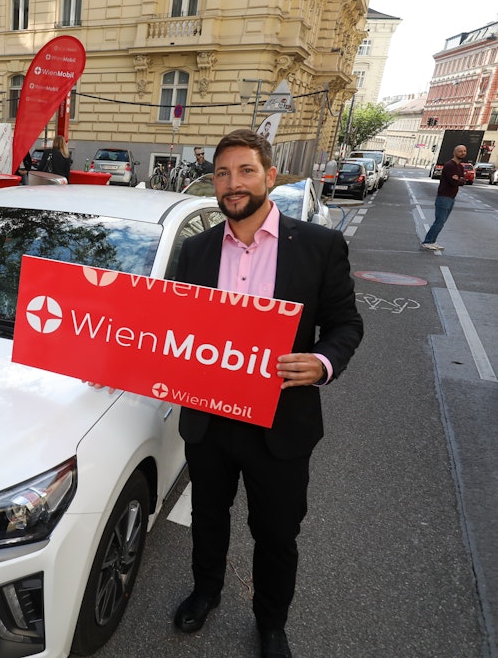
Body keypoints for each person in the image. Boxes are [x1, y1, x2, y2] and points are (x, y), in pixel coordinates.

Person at [172, 129, 363, 658]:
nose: (234, 184)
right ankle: (206, 590)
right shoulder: (197, 249)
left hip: (280, 423)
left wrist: (322, 362)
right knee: (208, 515)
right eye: (223, 174)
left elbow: (347, 325)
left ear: (270, 176)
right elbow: (170, 328)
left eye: (246, 171)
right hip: (209, 418)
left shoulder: (319, 246)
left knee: (276, 533)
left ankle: (271, 622)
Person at [421, 144, 467, 251]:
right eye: (460, 151)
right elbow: (453, 181)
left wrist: (459, 180)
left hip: (451, 197)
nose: (463, 153)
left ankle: (432, 240)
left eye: (464, 151)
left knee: (442, 222)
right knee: (439, 221)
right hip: (444, 197)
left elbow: (462, 180)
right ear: (454, 152)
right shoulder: (449, 165)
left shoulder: (460, 166)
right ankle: (428, 241)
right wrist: (458, 180)